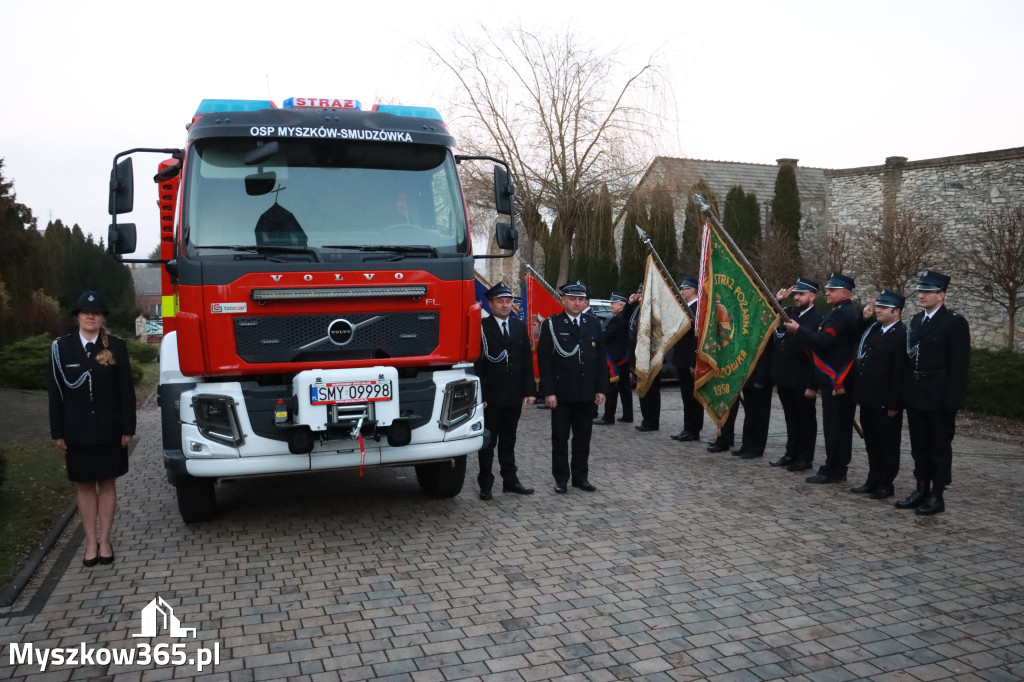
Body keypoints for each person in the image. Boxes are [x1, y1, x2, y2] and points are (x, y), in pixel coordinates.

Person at [49, 291, 136, 567]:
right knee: (85, 486)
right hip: (76, 430)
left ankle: (105, 540)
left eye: (96, 313)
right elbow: (55, 393)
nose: (90, 317)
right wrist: (57, 431)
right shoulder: (61, 348)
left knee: (107, 483)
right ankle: (89, 543)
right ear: (77, 317)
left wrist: (128, 428)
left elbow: (126, 391)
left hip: (109, 429)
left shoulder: (117, 347)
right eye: (85, 313)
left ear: (102, 318)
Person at [895, 270, 971, 515]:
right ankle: (921, 489)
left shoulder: (954, 322)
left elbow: (959, 365)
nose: (921, 295)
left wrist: (951, 401)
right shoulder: (917, 321)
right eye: (920, 291)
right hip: (917, 392)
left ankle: (937, 495)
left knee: (939, 447)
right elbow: (909, 360)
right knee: (919, 446)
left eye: (927, 291)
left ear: (941, 294)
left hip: (939, 394)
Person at [784, 273, 859, 484]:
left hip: (837, 379)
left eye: (832, 290)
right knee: (835, 426)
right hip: (834, 378)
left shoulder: (842, 314)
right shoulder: (839, 311)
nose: (827, 292)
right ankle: (834, 465)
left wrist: (799, 330)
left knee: (836, 427)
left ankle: (834, 468)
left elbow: (824, 341)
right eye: (827, 289)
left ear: (845, 293)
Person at [538, 281, 608, 493]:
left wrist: (601, 388)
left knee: (583, 438)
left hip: (586, 392)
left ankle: (580, 477)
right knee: (560, 438)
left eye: (581, 300)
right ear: (564, 300)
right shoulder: (552, 324)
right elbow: (544, 361)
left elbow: (601, 359)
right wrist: (548, 392)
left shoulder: (593, 323)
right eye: (572, 299)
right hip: (561, 392)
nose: (577, 303)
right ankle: (561, 478)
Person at [474, 282, 536, 500]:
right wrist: (480, 396)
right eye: (500, 301)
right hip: (491, 396)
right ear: (490, 304)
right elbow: (477, 364)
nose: (505, 305)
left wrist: (530, 390)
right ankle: (486, 484)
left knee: (509, 440)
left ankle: (510, 481)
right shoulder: (481, 326)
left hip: (513, 395)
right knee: (488, 442)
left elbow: (526, 361)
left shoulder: (518, 326)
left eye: (508, 301)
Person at [850, 290, 908, 499]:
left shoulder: (901, 334)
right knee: (872, 442)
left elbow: (900, 372)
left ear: (896, 311)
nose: (878, 310)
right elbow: (855, 337)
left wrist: (894, 403)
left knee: (888, 443)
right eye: (878, 307)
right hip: (868, 397)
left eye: (883, 307)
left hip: (886, 401)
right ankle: (873, 478)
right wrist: (863, 319)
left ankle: (886, 482)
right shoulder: (873, 329)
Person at [771, 278, 822, 472]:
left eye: (802, 294)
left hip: (802, 378)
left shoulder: (817, 319)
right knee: (791, 418)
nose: (798, 298)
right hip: (785, 376)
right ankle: (790, 453)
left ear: (812, 296)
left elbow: (817, 355)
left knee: (806, 419)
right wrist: (779, 301)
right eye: (796, 294)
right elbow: (768, 319)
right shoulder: (789, 313)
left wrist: (812, 384)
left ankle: (804, 457)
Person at [594, 292, 638, 425]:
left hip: (616, 358)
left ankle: (608, 416)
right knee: (625, 388)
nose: (611, 305)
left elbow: (608, 334)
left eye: (613, 303)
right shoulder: (617, 316)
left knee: (612, 388)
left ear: (621, 306)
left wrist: (630, 303)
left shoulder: (620, 317)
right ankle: (628, 415)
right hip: (621, 356)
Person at [670, 278, 703, 443]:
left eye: (684, 289)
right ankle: (687, 427)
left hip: (689, 359)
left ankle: (694, 429)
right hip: (681, 358)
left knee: (693, 397)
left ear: (693, 290)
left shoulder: (697, 309)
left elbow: (697, 339)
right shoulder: (686, 307)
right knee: (685, 396)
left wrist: (694, 361)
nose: (682, 292)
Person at [629, 284, 661, 432]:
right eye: (638, 295)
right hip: (638, 357)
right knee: (642, 389)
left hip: (650, 357)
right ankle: (645, 419)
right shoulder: (637, 309)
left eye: (642, 295)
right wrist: (630, 303)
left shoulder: (653, 312)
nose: (640, 297)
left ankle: (652, 421)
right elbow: (627, 323)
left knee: (651, 391)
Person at [732, 349, 774, 459]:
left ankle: (757, 448)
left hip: (760, 377)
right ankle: (746, 444)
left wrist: (761, 378)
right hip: (748, 375)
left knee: (760, 415)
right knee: (749, 413)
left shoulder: (765, 331)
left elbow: (766, 353)